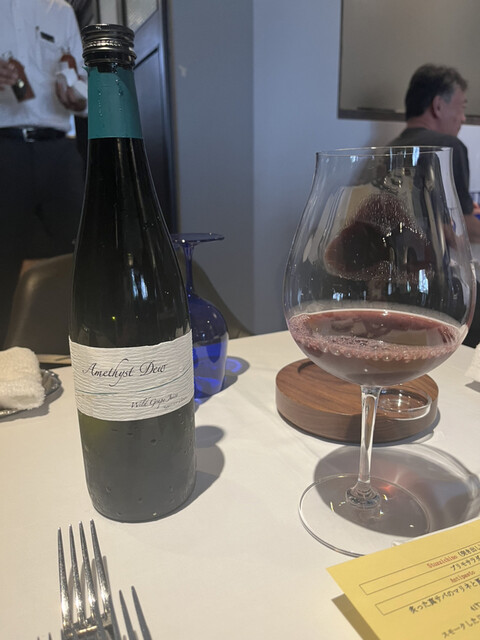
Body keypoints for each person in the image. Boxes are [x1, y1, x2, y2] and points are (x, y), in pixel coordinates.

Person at [0, 0, 87, 347]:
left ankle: (88, 341)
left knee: (83, 249)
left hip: (59, 149)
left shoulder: (60, 11)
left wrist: (78, 98)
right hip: (3, 149)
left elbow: (84, 89)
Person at [390, 64, 480, 346]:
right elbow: (464, 230)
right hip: (435, 295)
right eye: (461, 107)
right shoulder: (447, 147)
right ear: (438, 106)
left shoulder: (387, 149)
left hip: (388, 290)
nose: (463, 118)